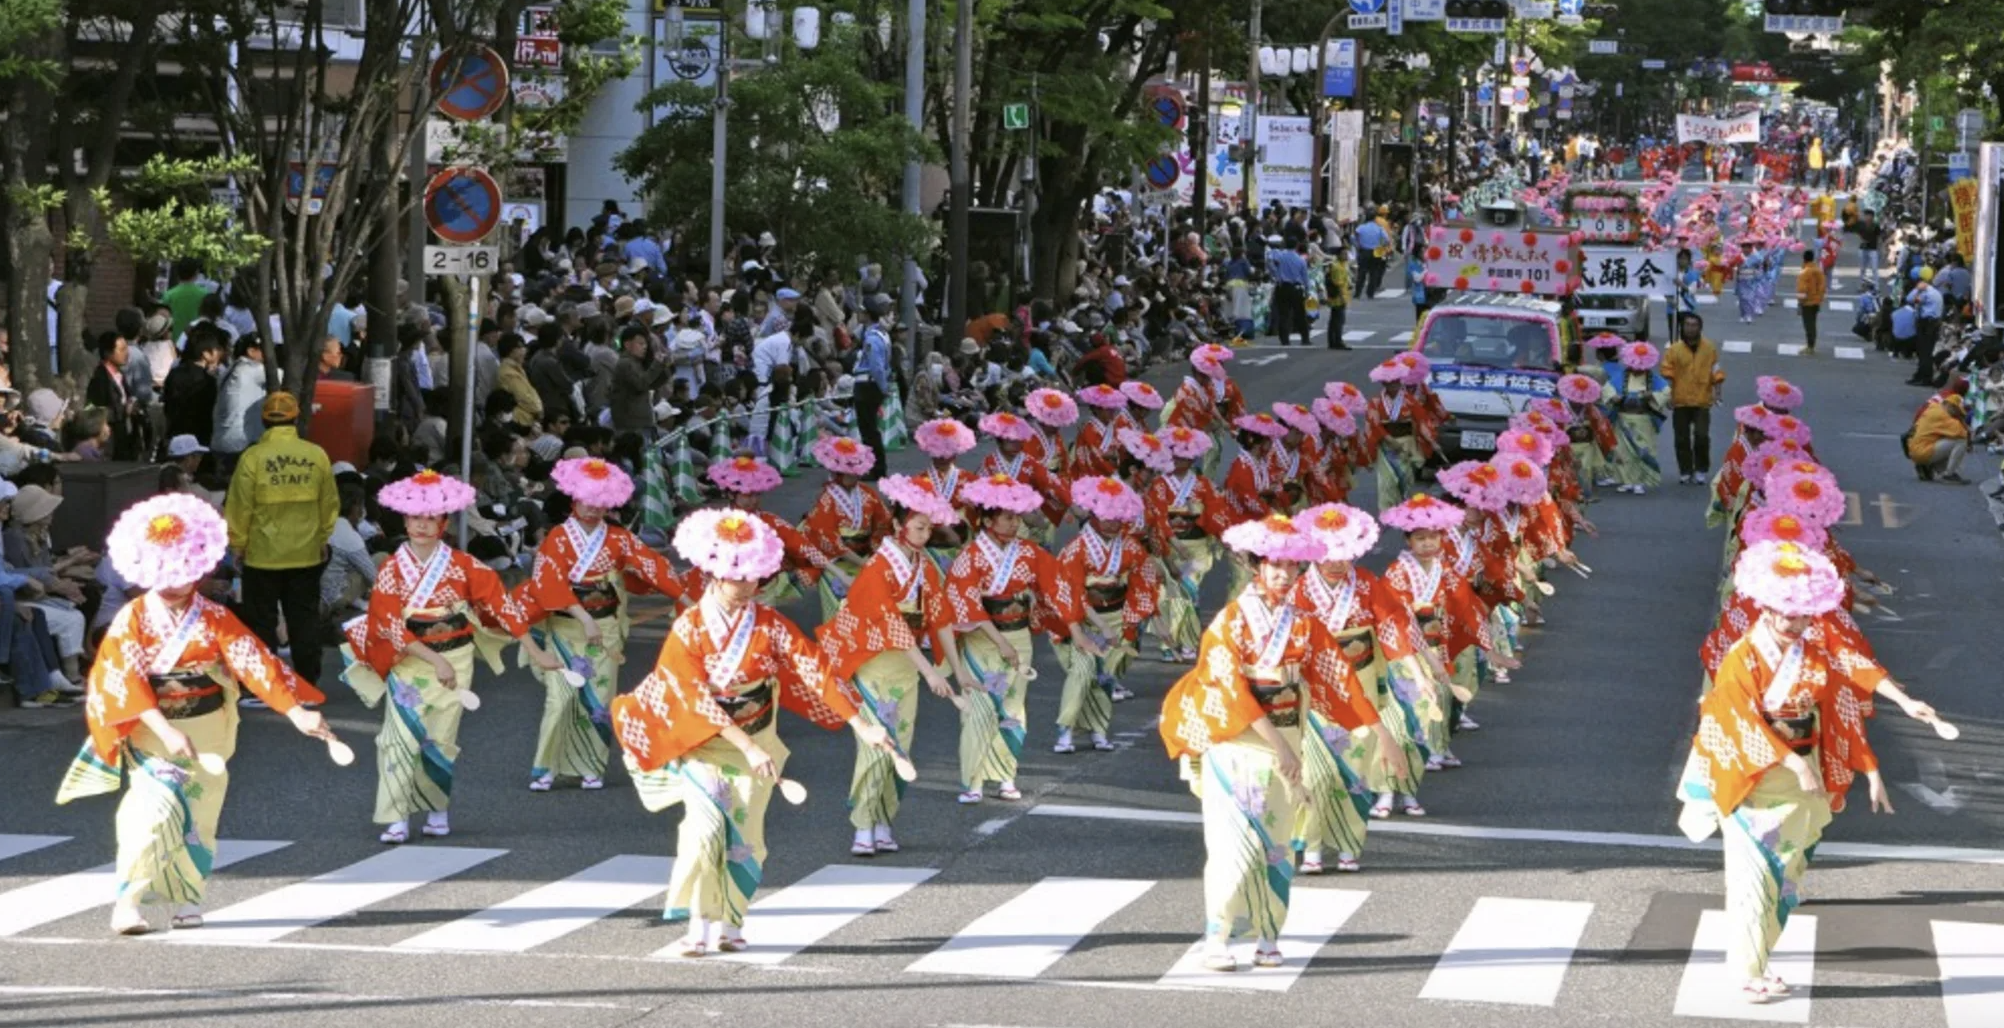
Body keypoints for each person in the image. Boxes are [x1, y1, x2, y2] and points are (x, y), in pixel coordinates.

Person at [607, 510, 896, 957]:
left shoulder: (769, 625)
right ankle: (700, 922)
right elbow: (690, 696)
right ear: (713, 575)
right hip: (703, 743)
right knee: (704, 833)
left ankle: (731, 921)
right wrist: (744, 744)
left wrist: (862, 725)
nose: (747, 587)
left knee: (745, 837)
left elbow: (813, 669)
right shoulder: (688, 628)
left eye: (754, 579)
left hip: (758, 735)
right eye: (737, 578)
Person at [1674, 540, 1941, 1006]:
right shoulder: (1744, 656)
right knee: (1752, 875)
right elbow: (1738, 720)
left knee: (1786, 871)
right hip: (1753, 776)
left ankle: (1759, 959)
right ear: (1766, 607)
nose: (1795, 623)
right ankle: (1749, 971)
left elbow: (1847, 679)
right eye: (1785, 613)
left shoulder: (1812, 649)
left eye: (1803, 614)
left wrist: (1899, 710)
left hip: (1804, 777)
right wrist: (1793, 761)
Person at [55, 494, 336, 935]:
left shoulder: (216, 618)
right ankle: (127, 902)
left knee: (199, 815)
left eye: (185, 573)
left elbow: (254, 663)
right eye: (165, 574)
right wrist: (164, 729)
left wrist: (296, 712)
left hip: (206, 728)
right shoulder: (132, 619)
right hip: (152, 728)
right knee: (150, 812)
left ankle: (188, 896)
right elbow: (122, 679)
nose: (175, 583)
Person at [1156, 513, 1374, 972]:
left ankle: (1268, 935)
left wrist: (1378, 731)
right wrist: (1281, 746)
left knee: (1276, 844)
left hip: (1286, 737)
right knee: (1232, 843)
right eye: (1273, 565)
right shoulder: (1231, 621)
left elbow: (1339, 678)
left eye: (1290, 566)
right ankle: (1217, 936)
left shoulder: (1303, 624)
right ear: (1257, 566)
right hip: (1237, 741)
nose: (1282, 574)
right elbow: (1230, 689)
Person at [338, 470, 559, 844]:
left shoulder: (463, 565)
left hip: (456, 657)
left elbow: (501, 605)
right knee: (398, 737)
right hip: (409, 660)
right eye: (415, 518)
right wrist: (433, 659)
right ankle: (396, 814)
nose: (422, 526)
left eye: (431, 519)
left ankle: (437, 809)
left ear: (443, 523)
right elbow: (389, 623)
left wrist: (535, 649)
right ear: (405, 520)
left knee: (440, 737)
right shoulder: (392, 568)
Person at [815, 474, 965, 856]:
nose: (925, 533)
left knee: (901, 744)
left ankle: (884, 820)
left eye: (929, 527)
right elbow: (892, 625)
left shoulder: (924, 565)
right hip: (874, 663)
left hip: (905, 665)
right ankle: (863, 826)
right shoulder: (877, 568)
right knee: (876, 743)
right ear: (898, 525)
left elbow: (940, 616)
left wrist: (959, 673)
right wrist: (931, 671)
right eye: (918, 526)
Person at [518, 457, 688, 792]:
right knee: (561, 696)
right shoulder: (558, 538)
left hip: (606, 627)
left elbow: (652, 567)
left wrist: (683, 596)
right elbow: (548, 583)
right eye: (586, 502)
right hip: (567, 626)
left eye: (600, 504)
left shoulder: (618, 539)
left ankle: (590, 765)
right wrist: (581, 615)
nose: (593, 510)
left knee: (598, 698)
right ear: (573, 500)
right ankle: (546, 765)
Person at [1290, 502, 1434, 872]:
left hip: (1363, 684)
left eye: (1345, 556)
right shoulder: (1299, 590)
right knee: (1317, 773)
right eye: (1329, 556)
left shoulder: (1367, 584)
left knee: (1354, 771)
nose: (1337, 564)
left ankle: (1349, 843)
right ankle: (1312, 846)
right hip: (1317, 690)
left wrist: (1419, 677)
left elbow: (1392, 630)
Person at [941, 474, 1055, 805]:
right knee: (979, 706)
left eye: (1017, 516)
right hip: (982, 638)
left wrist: (1072, 624)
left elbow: (1055, 585)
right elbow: (967, 602)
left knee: (1013, 706)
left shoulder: (1029, 552)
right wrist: (1000, 641)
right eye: (1008, 517)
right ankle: (973, 779)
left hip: (1018, 633)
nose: (1015, 522)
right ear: (988, 520)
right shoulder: (971, 556)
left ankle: (1007, 774)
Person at [224, 392, 338, 691]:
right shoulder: (317, 456)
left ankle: (264, 684)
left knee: (261, 621)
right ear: (295, 418)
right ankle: (307, 681)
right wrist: (322, 537)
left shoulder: (252, 458)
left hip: (262, 556)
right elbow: (329, 504)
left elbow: (238, 506)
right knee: (304, 620)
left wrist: (237, 544)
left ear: (264, 422)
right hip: (306, 554)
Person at [1048, 476, 1157, 755]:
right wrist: (1099, 626)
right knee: (1082, 673)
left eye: (1117, 518)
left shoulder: (1131, 548)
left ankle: (1098, 729)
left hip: (1117, 615)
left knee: (1105, 677)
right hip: (1082, 620)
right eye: (1105, 517)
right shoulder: (1076, 549)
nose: (1111, 523)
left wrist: (1146, 617)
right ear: (1093, 515)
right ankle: (1066, 729)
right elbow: (1073, 594)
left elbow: (1144, 581)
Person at [799, 436, 894, 621]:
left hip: (865, 557)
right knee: (840, 608)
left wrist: (875, 554)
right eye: (847, 472)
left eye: (855, 471)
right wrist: (863, 563)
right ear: (836, 473)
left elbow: (883, 523)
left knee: (871, 606)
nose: (853, 476)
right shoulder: (827, 499)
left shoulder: (868, 493)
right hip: (836, 562)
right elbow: (826, 536)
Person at [1661, 313, 1726, 485]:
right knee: (1681, 438)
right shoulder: (1674, 350)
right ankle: (1685, 470)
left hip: (1702, 400)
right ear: (1682, 327)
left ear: (1700, 328)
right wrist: (1668, 395)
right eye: (1687, 325)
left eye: (1694, 325)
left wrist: (1718, 392)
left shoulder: (1709, 348)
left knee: (1701, 435)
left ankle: (1701, 469)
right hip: (1680, 399)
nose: (1690, 328)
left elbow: (1716, 371)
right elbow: (1668, 373)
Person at [1604, 340, 1668, 495]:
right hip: (1624, 417)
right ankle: (1626, 481)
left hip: (1643, 418)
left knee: (1643, 449)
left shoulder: (1653, 379)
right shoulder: (1622, 376)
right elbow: (1607, 388)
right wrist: (1614, 397)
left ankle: (1639, 481)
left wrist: (1652, 395)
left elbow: (1666, 391)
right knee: (1623, 451)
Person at [852, 295, 895, 481]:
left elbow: (877, 366)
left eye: (861, 312)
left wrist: (883, 387)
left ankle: (876, 467)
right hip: (872, 384)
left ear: (867, 314)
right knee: (870, 428)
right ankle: (876, 466)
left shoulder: (871, 337)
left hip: (867, 384)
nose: (858, 314)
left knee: (868, 429)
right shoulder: (882, 334)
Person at [1907, 390, 1971, 483]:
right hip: (1923, 451)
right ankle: (1948, 475)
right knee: (1961, 441)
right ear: (1951, 406)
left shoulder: (1934, 407)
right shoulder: (1943, 415)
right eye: (1957, 411)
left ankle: (1929, 467)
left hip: (1915, 448)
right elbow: (1963, 433)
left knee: (1948, 438)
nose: (1957, 415)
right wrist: (1962, 422)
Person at [1794, 250, 1824, 355]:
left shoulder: (1804, 272)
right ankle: (1811, 345)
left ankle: (1810, 347)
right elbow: (1822, 287)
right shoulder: (1818, 271)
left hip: (1807, 302)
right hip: (1816, 302)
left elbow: (1801, 289)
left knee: (1808, 325)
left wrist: (1800, 303)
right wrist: (1819, 299)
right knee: (1813, 324)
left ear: (1804, 258)